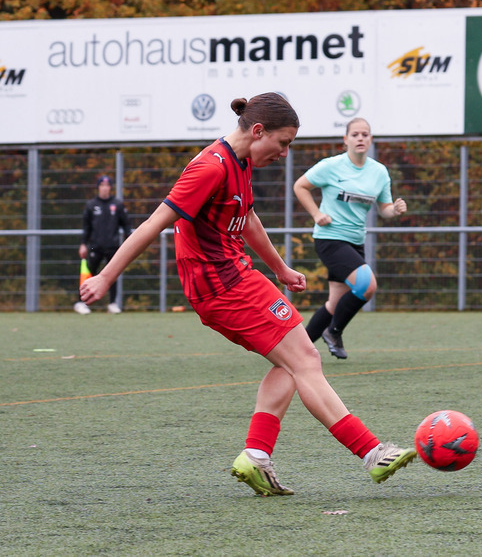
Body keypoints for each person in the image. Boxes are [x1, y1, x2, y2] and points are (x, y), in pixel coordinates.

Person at [80, 93, 415, 496]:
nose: (285, 153)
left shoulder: (240, 162)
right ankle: (372, 452)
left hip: (238, 279)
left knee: (292, 364)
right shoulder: (210, 167)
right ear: (258, 131)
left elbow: (248, 217)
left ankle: (255, 457)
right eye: (284, 143)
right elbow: (154, 224)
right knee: (305, 358)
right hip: (223, 288)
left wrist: (280, 268)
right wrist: (105, 277)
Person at [293, 117, 405, 360]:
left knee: (335, 304)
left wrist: (394, 210)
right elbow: (300, 186)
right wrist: (316, 213)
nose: (360, 138)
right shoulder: (331, 166)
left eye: (365, 134)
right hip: (330, 239)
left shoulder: (379, 172)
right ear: (346, 140)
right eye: (355, 134)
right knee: (367, 285)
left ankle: (296, 350)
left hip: (355, 241)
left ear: (371, 139)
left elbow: (384, 209)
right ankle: (333, 332)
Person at [74, 175, 130, 314]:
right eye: (102, 185)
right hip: (95, 246)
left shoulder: (117, 205)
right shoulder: (91, 205)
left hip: (113, 246)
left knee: (112, 274)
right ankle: (82, 302)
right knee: (89, 274)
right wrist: (83, 244)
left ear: (110, 187)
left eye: (107, 185)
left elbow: (127, 226)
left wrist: (129, 242)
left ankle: (112, 303)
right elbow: (86, 228)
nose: (105, 188)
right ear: (98, 187)